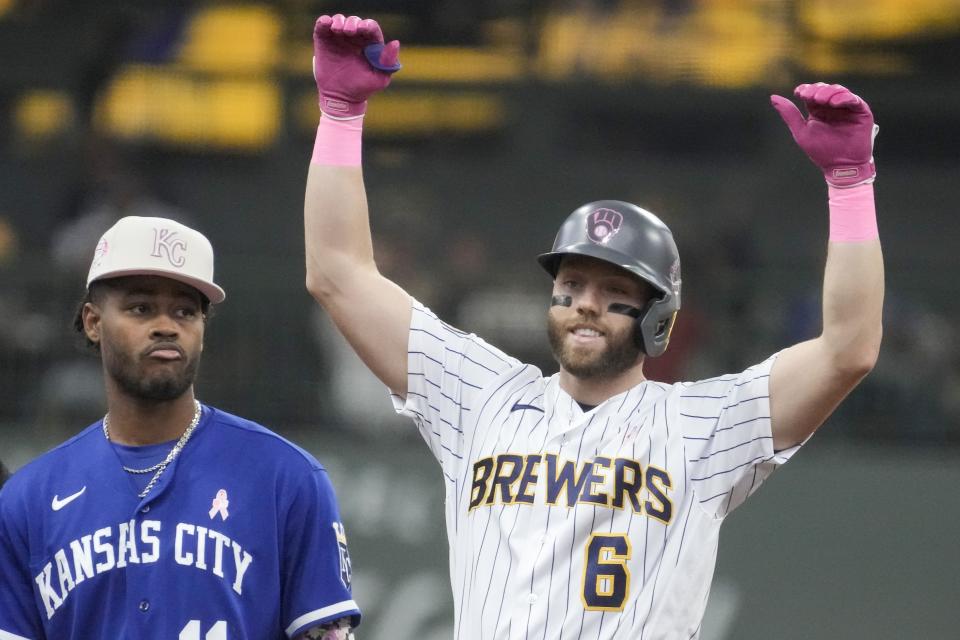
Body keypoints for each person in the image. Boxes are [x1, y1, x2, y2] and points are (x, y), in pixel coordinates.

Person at [304, 14, 883, 639]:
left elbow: (847, 350)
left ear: (659, 314)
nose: (585, 303)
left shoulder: (702, 425)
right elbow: (339, 274)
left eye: (614, 291)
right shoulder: (482, 396)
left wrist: (850, 186)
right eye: (572, 285)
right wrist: (339, 114)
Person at [0, 216, 360, 639]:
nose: (167, 325)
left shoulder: (287, 478)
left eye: (185, 311)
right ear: (94, 322)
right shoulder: (28, 498)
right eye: (141, 308)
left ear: (203, 331)